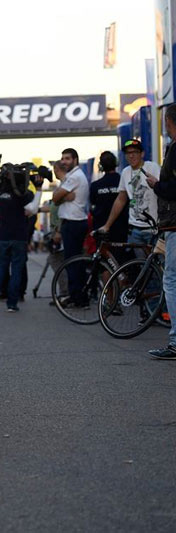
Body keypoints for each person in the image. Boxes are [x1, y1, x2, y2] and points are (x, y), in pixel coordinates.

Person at [0, 175, 43, 312]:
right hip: (19, 238)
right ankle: (11, 304)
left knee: (1, 268)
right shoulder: (22, 195)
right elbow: (32, 210)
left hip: (3, 237)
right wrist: (38, 189)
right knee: (16, 270)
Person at [148, 104, 176, 359]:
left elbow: (173, 188)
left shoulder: (175, 149)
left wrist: (157, 185)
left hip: (175, 223)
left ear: (169, 122)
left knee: (171, 278)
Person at [98, 139, 161, 248]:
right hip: (134, 230)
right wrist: (107, 225)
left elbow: (164, 191)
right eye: (128, 153)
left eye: (135, 152)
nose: (131, 156)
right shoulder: (125, 172)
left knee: (160, 263)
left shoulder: (153, 167)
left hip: (153, 230)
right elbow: (121, 199)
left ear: (142, 154)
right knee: (139, 264)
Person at [52, 148, 90, 307]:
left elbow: (55, 198)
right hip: (74, 222)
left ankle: (78, 298)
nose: (63, 162)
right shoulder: (72, 177)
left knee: (73, 263)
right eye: (62, 159)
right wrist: (64, 197)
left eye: (67, 158)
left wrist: (61, 197)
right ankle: (77, 295)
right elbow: (59, 199)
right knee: (75, 262)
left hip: (73, 223)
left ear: (75, 159)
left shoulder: (74, 177)